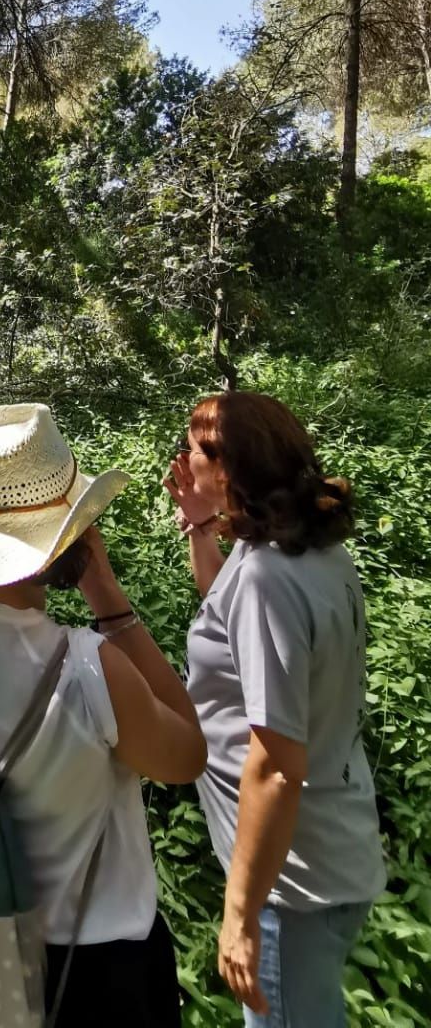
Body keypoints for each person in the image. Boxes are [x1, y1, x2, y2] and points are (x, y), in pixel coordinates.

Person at [0, 402, 206, 1027]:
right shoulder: (87, 669)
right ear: (72, 536)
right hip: (91, 961)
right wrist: (108, 598)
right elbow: (189, 754)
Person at [167, 391, 386, 1028]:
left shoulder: (268, 577)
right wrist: (203, 528)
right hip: (326, 848)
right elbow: (228, 616)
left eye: (196, 450)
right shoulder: (303, 550)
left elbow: (278, 765)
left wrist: (239, 912)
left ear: (230, 469)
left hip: (293, 883)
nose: (185, 458)